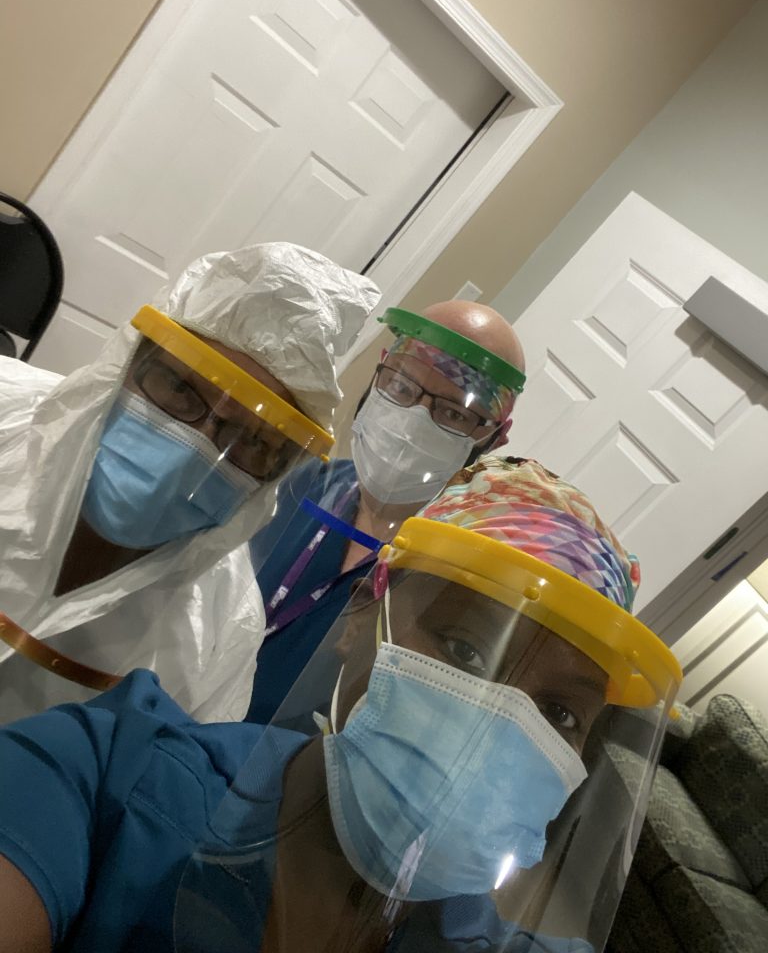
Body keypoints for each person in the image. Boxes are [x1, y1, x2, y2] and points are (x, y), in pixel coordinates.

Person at [0, 456, 680, 953]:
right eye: (466, 649)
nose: (493, 722)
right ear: (361, 613)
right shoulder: (105, 778)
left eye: (561, 714)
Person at [0, 241, 380, 724]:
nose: (195, 448)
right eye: (181, 388)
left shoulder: (220, 631)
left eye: (251, 438)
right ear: (128, 363)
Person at [246, 301, 527, 722]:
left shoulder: (445, 578)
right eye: (401, 386)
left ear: (492, 440)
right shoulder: (302, 485)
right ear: (379, 375)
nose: (413, 419)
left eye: (453, 412)